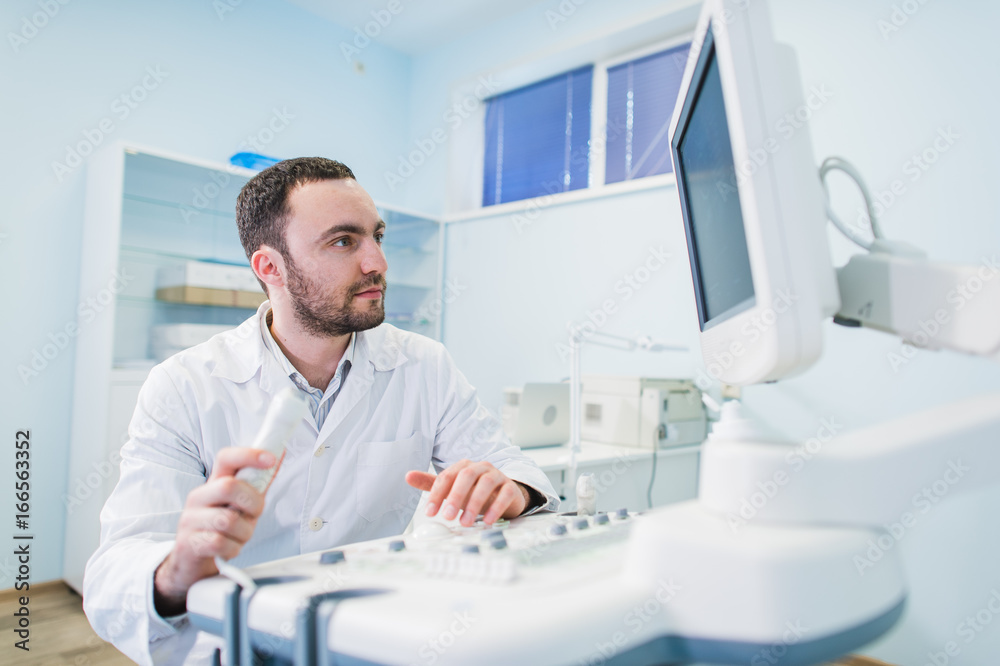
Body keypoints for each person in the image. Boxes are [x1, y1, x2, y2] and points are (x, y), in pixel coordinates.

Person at [83, 157, 559, 665]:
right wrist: (181, 564)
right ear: (270, 268)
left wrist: (509, 490)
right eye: (343, 241)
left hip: (377, 639)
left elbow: (514, 467)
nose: (377, 261)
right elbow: (114, 576)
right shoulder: (183, 386)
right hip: (240, 645)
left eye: (376, 235)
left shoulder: (425, 365)